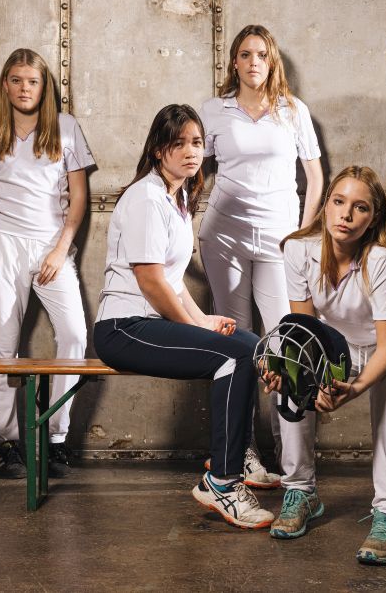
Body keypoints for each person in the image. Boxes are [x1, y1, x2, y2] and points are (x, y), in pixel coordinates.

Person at [93, 104, 274, 530]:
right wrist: (193, 325)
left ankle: (233, 460)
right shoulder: (145, 198)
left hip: (148, 323)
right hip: (123, 329)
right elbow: (151, 283)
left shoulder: (177, 200)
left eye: (196, 142)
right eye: (179, 144)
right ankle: (223, 482)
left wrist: (204, 319)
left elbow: (173, 283)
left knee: (250, 345)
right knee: (235, 357)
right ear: (158, 150)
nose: (191, 152)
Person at [262, 166, 386, 565]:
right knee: (293, 370)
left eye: (359, 208)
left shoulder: (380, 260)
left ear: (373, 218)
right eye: (338, 202)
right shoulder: (297, 250)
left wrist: (353, 390)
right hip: (341, 343)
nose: (346, 214)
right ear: (325, 207)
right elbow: (304, 333)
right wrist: (294, 373)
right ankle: (300, 491)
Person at [0, 48, 94, 479]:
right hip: (4, 245)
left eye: (31, 81)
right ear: (5, 85)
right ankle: (7, 441)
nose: (24, 88)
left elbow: (79, 199)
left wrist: (59, 250)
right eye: (16, 80)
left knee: (74, 334)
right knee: (2, 345)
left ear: (43, 86)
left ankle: (55, 439)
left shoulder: (66, 128)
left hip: (50, 245)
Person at [198, 24, 324, 486]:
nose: (254, 62)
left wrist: (303, 234)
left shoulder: (293, 111)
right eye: (246, 54)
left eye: (262, 55)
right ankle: (242, 454)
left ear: (273, 62)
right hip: (223, 237)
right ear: (234, 61)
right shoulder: (213, 111)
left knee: (285, 345)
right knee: (235, 342)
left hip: (279, 241)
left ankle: (296, 467)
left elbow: (315, 176)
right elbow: (194, 167)